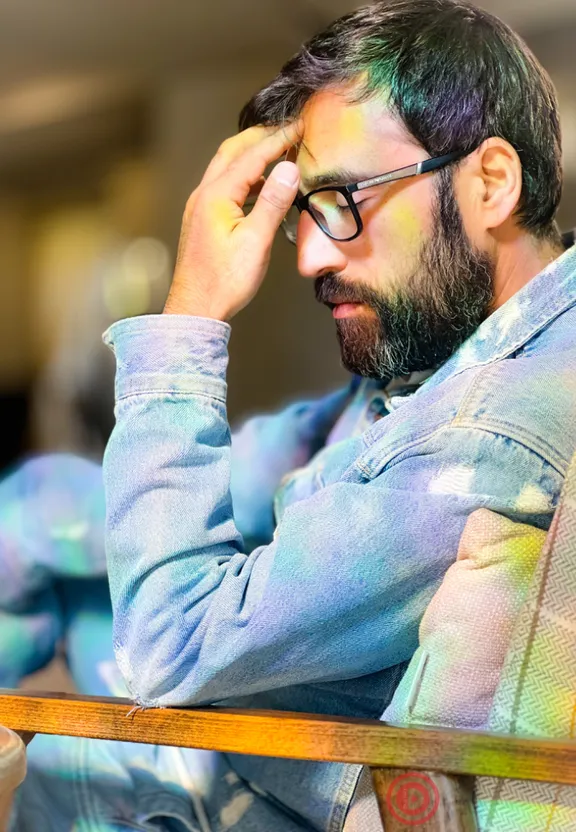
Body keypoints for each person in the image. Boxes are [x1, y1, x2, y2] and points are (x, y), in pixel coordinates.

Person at [6, 0, 576, 829]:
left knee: (41, 717)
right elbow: (298, 453)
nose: (310, 256)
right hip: (260, 695)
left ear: (491, 181)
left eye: (343, 197)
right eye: (306, 211)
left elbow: (172, 645)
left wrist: (190, 314)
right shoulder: (479, 355)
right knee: (35, 510)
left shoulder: (491, 435)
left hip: (261, 772)